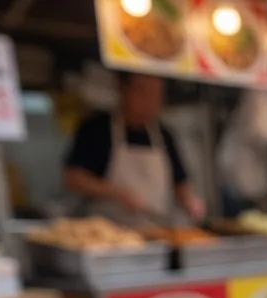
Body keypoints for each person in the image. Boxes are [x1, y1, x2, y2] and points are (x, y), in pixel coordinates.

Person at [64, 73, 204, 223]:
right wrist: (117, 192)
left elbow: (180, 182)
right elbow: (73, 178)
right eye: (143, 92)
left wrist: (190, 201)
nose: (150, 101)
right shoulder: (97, 129)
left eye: (157, 95)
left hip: (155, 230)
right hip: (107, 229)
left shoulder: (164, 135)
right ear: (123, 89)